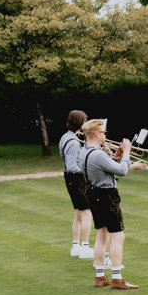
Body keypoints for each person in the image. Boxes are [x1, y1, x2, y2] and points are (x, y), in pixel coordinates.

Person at [80, 119, 147, 289]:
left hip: (93, 193)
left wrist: (115, 158)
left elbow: (108, 168)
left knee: (102, 235)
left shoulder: (85, 151)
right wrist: (126, 153)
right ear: (96, 134)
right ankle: (117, 278)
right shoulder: (98, 154)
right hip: (106, 195)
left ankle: (100, 276)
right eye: (103, 133)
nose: (105, 135)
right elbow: (123, 171)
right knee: (118, 235)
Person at [59, 110, 93, 258]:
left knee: (79, 213)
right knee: (86, 213)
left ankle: (76, 246)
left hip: (71, 179)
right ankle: (84, 247)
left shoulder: (66, 137)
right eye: (85, 120)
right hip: (76, 179)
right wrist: (87, 169)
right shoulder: (73, 142)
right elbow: (73, 166)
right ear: (79, 122)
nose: (86, 123)